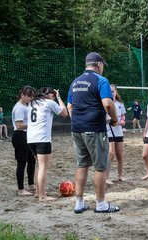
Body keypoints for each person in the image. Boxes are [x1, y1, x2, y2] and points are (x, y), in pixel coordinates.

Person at [67, 52, 120, 214]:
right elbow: (108, 104)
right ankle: (101, 203)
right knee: (100, 167)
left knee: (82, 165)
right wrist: (115, 119)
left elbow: (70, 106)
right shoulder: (101, 80)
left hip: (77, 129)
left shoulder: (75, 82)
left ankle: (79, 202)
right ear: (98, 65)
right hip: (94, 129)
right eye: (102, 65)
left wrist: (78, 120)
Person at [27, 87, 68, 201]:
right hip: (42, 139)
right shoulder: (49, 102)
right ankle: (42, 195)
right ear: (50, 95)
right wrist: (59, 98)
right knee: (43, 167)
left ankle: (37, 192)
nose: (54, 97)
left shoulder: (32, 103)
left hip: (30, 138)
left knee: (39, 166)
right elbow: (65, 113)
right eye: (53, 95)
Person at [11, 85, 36, 196]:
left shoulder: (26, 106)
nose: (30, 99)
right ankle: (21, 189)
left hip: (27, 136)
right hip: (20, 136)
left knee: (31, 160)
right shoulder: (19, 108)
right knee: (21, 162)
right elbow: (19, 125)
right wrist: (32, 125)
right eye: (29, 96)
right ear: (22, 95)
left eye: (31, 97)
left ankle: (31, 183)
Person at [106, 84, 126, 185]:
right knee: (111, 153)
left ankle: (120, 176)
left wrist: (122, 121)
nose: (111, 93)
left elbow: (123, 115)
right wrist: (108, 120)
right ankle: (106, 177)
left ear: (116, 92)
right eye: (109, 92)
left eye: (113, 91)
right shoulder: (105, 103)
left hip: (118, 131)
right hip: (108, 130)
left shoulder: (119, 103)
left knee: (119, 155)